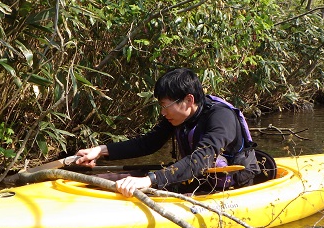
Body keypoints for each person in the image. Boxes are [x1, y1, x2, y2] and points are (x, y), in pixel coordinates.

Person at [75, 68, 260, 197]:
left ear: (189, 99)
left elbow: (200, 159)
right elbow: (148, 144)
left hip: (230, 186)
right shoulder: (179, 116)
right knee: (97, 181)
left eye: (166, 106)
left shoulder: (221, 118)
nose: (163, 112)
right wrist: (100, 151)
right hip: (195, 178)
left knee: (146, 181)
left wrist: (150, 180)